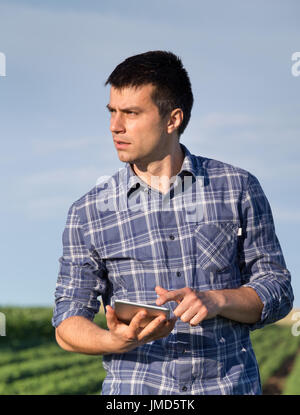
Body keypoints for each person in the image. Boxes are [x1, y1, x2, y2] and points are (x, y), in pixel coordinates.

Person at [52, 50, 294, 395]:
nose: (115, 126)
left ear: (172, 119)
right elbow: (66, 321)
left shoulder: (238, 188)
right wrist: (115, 340)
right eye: (112, 113)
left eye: (131, 113)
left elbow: (278, 290)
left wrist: (217, 300)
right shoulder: (87, 212)